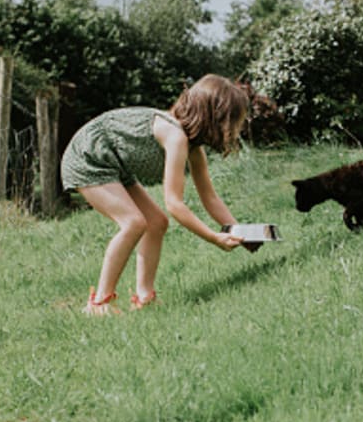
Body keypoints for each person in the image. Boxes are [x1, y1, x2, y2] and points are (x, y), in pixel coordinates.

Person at [61, 74, 258, 316]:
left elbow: (211, 198)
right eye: (232, 122)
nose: (234, 131)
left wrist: (238, 231)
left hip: (115, 163)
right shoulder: (175, 136)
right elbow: (174, 204)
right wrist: (213, 238)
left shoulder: (193, 147)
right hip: (89, 157)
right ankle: (98, 303)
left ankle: (144, 297)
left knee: (156, 223)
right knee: (133, 222)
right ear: (214, 117)